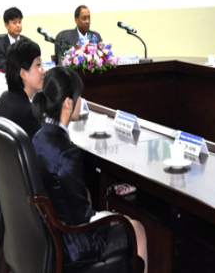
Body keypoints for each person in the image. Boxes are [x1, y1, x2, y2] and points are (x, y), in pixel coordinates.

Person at [32, 67, 147, 271]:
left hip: (46, 235)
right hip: (74, 245)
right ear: (68, 103)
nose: (81, 101)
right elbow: (82, 217)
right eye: (79, 97)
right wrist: (108, 217)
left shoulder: (38, 137)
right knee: (136, 228)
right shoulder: (66, 152)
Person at [0, 39, 44, 137]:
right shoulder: (29, 112)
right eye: (38, 65)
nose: (43, 71)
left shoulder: (5, 97)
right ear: (23, 74)